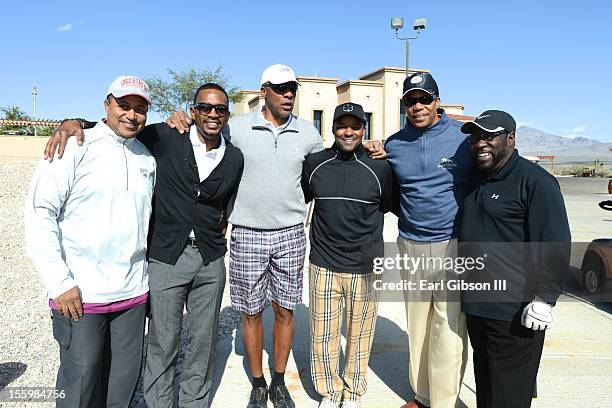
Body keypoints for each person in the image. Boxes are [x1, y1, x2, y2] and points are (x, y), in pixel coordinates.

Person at [43, 83, 244, 408]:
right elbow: (118, 129)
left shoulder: (234, 157)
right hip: (167, 259)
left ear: (227, 115)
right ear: (193, 112)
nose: (212, 114)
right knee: (163, 343)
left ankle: (194, 402)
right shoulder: (163, 138)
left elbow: (223, 207)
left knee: (203, 343)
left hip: (210, 261)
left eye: (220, 109)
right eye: (205, 107)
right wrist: (75, 123)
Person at [167, 64, 323, 408]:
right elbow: (199, 139)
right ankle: (258, 381)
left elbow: (321, 173)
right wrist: (176, 119)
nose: (288, 95)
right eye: (280, 88)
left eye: (292, 89)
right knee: (250, 313)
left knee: (285, 310)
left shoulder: (309, 133)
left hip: (291, 235)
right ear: (263, 91)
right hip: (248, 234)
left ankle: (279, 381)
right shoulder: (235, 127)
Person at [25, 75, 156, 407]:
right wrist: (59, 282)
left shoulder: (146, 158)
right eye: (123, 105)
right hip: (81, 295)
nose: (131, 115)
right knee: (79, 387)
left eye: (140, 109)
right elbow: (41, 213)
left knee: (122, 385)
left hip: (132, 296)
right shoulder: (74, 146)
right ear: (106, 105)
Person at [459, 110, 571, 408]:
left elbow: (554, 243)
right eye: (475, 136)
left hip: (515, 312)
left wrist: (545, 298)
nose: (480, 143)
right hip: (477, 307)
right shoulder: (476, 178)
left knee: (509, 395)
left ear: (510, 138)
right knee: (487, 387)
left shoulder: (536, 182)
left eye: (488, 136)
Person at [383, 72, 474, 408]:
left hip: (453, 244)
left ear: (438, 101)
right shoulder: (394, 144)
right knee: (418, 326)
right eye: (411, 101)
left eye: (424, 99)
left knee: (449, 331)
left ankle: (444, 401)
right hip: (410, 244)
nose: (418, 106)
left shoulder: (462, 139)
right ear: (404, 105)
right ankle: (421, 396)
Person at [301, 102, 395, 408]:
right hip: (323, 264)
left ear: (363, 130)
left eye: (355, 126)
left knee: (360, 335)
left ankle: (353, 393)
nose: (349, 132)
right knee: (323, 334)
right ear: (332, 128)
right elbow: (301, 199)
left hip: (365, 265)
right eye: (343, 125)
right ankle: (329, 393)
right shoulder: (314, 164)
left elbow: (391, 204)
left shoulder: (381, 167)